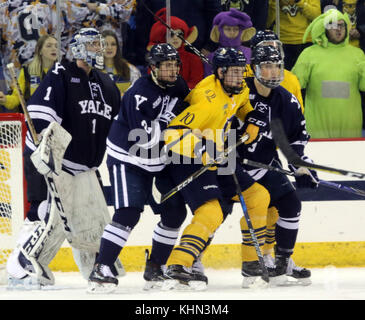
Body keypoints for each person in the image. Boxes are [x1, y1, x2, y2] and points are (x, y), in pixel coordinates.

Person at [6, 27, 123, 289]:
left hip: (87, 168)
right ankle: (21, 267)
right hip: (54, 164)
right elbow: (39, 118)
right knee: (49, 215)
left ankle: (96, 267)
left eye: (100, 45)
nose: (100, 50)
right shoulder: (61, 74)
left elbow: (117, 126)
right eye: (93, 45)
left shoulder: (106, 84)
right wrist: (45, 157)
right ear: (79, 48)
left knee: (94, 221)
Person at [159, 47, 270, 290]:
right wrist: (202, 149)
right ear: (220, 72)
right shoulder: (205, 98)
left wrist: (251, 119)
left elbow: (242, 105)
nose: (241, 77)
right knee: (213, 211)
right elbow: (172, 134)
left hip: (217, 153)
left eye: (243, 72)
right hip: (186, 158)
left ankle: (252, 263)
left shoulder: (236, 87)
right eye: (235, 73)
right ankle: (178, 264)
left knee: (258, 196)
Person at [87, 43, 190, 293]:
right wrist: (171, 121)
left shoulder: (178, 84)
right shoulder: (139, 94)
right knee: (128, 213)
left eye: (174, 65)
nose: (172, 70)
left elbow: (189, 106)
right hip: (128, 157)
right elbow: (145, 140)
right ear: (153, 68)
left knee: (175, 214)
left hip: (159, 159)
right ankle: (101, 268)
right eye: (166, 66)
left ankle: (155, 268)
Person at [292, 8, 365, 138]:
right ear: (323, 28)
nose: (338, 29)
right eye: (333, 25)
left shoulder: (357, 54)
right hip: (316, 130)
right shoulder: (309, 54)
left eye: (341, 25)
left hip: (350, 129)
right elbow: (294, 85)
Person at [147, 8, 204, 89]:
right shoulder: (156, 60)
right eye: (171, 34)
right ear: (162, 37)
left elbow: (197, 84)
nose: (175, 38)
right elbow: (153, 83)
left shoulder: (194, 59)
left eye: (180, 34)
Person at [267, 0, 321, 70]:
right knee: (283, 77)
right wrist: (274, 3)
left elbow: (316, 16)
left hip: (305, 41)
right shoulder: (274, 2)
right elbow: (267, 22)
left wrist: (299, 2)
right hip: (283, 41)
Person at [204, 8, 256, 76]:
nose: (232, 32)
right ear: (219, 31)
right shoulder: (212, 57)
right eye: (228, 29)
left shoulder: (250, 53)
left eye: (236, 29)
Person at [101, 29, 140, 96]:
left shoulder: (130, 69)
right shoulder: (92, 70)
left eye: (113, 44)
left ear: (117, 47)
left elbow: (137, 94)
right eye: (105, 44)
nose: (109, 47)